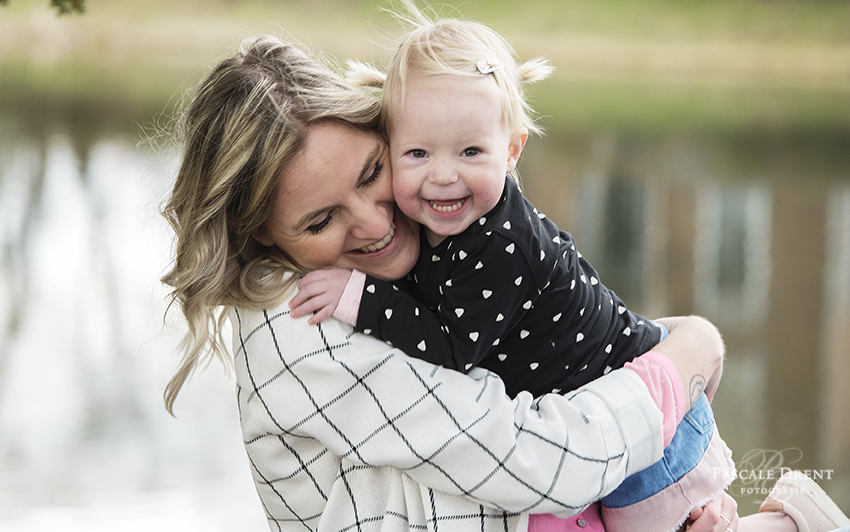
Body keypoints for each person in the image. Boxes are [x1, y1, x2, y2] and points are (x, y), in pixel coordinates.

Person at [160, 33, 848, 532]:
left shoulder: (427, 236)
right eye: (320, 219)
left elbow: (548, 337)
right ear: (261, 237)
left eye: (372, 173)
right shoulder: (300, 323)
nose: (376, 222)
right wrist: (686, 355)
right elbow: (548, 458)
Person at [286, 0, 731, 532]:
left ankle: (794, 521)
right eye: (418, 154)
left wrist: (359, 297)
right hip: (600, 416)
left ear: (513, 150)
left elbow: (450, 348)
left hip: (649, 434)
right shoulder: (443, 225)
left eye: (470, 152)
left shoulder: (501, 245)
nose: (443, 175)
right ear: (391, 145)